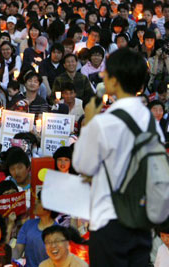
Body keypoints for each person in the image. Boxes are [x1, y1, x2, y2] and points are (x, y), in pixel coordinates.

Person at [72, 48, 163, 266]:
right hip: (142, 224)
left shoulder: (104, 122)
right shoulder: (153, 124)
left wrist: (90, 122)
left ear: (114, 81)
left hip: (109, 222)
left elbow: (82, 164)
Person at [13, 191, 58, 267]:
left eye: (39, 201)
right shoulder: (28, 225)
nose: (35, 203)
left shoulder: (58, 232)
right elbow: (17, 251)